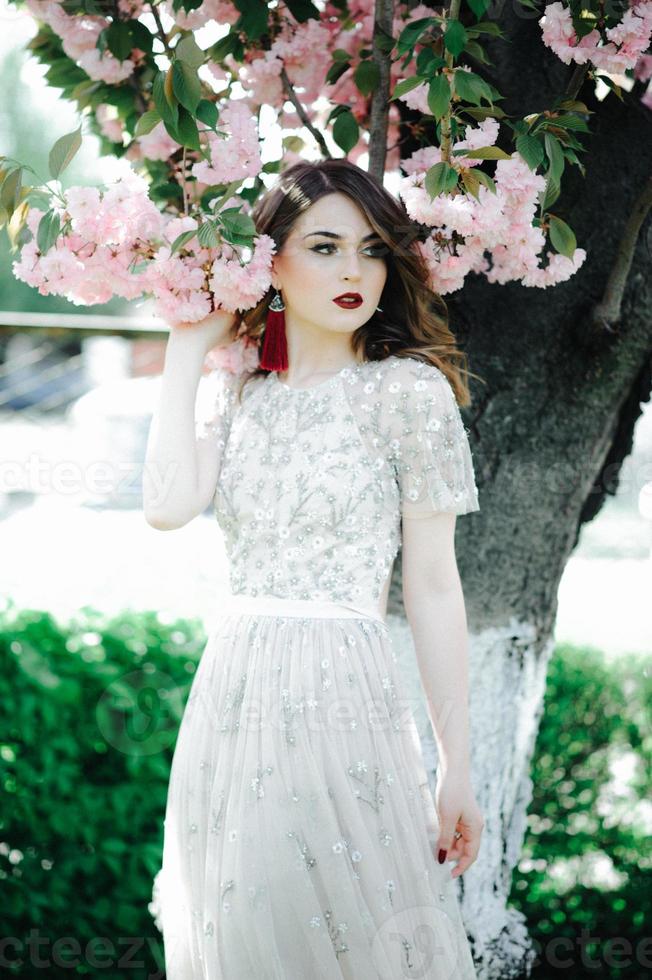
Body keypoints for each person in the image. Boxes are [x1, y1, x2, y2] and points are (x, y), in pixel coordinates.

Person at [143, 158, 484, 979]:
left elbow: (434, 587)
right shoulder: (242, 393)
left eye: (370, 250)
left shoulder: (409, 393)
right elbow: (164, 506)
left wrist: (458, 763)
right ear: (270, 261)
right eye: (324, 247)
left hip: (346, 688)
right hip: (232, 692)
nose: (353, 272)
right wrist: (187, 352)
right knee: (243, 925)